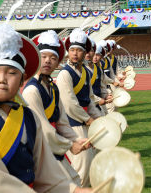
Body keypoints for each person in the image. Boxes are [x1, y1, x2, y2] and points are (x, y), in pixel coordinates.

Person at [0, 24, 92, 193]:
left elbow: (47, 174)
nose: (2, 79)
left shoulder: (30, 118)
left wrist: (75, 190)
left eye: (12, 73)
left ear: (22, 80)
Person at [23, 31, 92, 192]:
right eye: (44, 56)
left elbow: (62, 122)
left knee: (74, 180)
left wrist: (76, 139)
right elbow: (44, 129)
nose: (48, 61)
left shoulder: (53, 88)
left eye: (53, 58)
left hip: (53, 148)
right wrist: (70, 145)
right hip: (40, 152)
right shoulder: (32, 91)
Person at [56, 28, 103, 187]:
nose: (75, 53)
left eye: (79, 50)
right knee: (81, 169)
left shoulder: (85, 73)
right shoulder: (65, 74)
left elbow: (89, 100)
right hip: (72, 125)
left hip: (85, 124)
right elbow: (69, 104)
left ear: (85, 53)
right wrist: (89, 119)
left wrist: (99, 119)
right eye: (72, 50)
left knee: (90, 166)